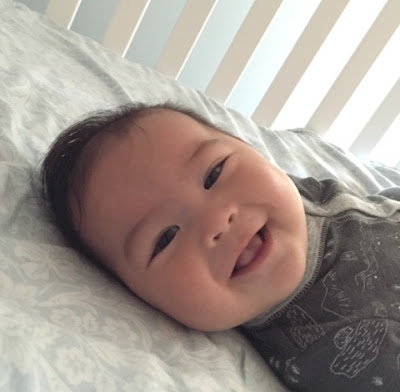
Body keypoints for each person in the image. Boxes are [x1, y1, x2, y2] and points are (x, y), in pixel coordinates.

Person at [41, 102, 400, 391]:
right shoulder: (338, 352)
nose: (215, 221)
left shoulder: (280, 195)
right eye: (165, 238)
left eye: (214, 173)